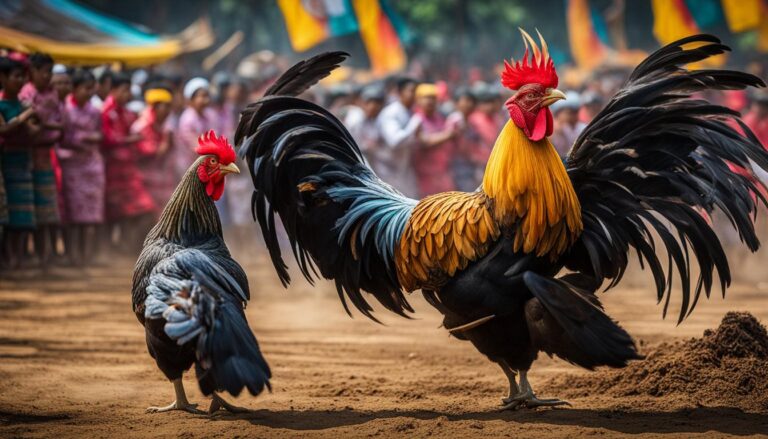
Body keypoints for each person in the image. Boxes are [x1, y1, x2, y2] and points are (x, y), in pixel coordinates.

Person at [101, 72, 156, 253]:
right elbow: (108, 139)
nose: (128, 95)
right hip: (113, 170)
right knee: (115, 212)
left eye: (128, 91)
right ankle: (113, 248)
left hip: (128, 169)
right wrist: (130, 140)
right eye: (124, 91)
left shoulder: (126, 112)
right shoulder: (107, 112)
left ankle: (128, 247)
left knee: (142, 209)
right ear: (113, 90)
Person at [20, 52, 64, 269]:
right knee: (31, 209)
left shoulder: (52, 94)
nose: (48, 76)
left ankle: (46, 255)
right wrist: (51, 127)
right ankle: (34, 256)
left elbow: (55, 123)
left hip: (47, 156)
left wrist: (49, 127)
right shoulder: (26, 94)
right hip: (29, 157)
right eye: (44, 72)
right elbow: (37, 125)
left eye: (50, 72)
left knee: (48, 209)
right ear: (33, 71)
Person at [60, 69, 105, 266]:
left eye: (91, 89)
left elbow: (100, 134)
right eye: (86, 88)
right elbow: (61, 138)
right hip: (71, 164)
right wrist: (81, 140)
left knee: (90, 215)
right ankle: (72, 255)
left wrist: (88, 139)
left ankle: (87, 255)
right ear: (75, 88)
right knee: (73, 214)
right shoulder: (65, 110)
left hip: (92, 165)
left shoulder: (95, 111)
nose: (89, 93)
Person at [0, 55, 40, 269]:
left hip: (24, 161)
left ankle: (19, 258)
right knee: (8, 216)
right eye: (16, 76)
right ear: (3, 78)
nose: (20, 81)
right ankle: (9, 259)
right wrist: (25, 118)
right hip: (7, 163)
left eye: (22, 77)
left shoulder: (24, 104)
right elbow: (4, 129)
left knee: (23, 213)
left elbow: (36, 131)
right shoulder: (4, 105)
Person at [376, 77, 421, 197]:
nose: (415, 95)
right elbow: (395, 141)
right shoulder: (390, 113)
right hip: (387, 171)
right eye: (411, 91)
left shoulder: (411, 112)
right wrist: (415, 123)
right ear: (400, 92)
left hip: (404, 170)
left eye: (417, 91)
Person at [132, 86, 175, 209]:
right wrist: (166, 142)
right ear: (155, 107)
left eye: (169, 106)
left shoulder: (166, 125)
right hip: (144, 182)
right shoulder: (141, 127)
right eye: (165, 106)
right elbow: (150, 152)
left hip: (164, 180)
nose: (168, 110)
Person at [411, 83, 457, 196]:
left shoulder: (439, 118)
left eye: (433, 98)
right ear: (418, 100)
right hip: (425, 175)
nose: (430, 101)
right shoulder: (416, 120)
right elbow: (424, 142)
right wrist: (448, 135)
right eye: (426, 98)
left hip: (442, 172)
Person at [447, 87, 486, 192]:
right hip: (457, 165)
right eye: (466, 101)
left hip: (467, 165)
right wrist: (474, 157)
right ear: (456, 103)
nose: (469, 104)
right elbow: (460, 146)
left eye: (472, 102)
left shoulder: (468, 120)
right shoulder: (456, 120)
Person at [550, 91, 586, 158]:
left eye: (575, 112)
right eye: (568, 113)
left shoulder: (582, 128)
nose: (571, 116)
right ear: (558, 113)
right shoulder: (554, 128)